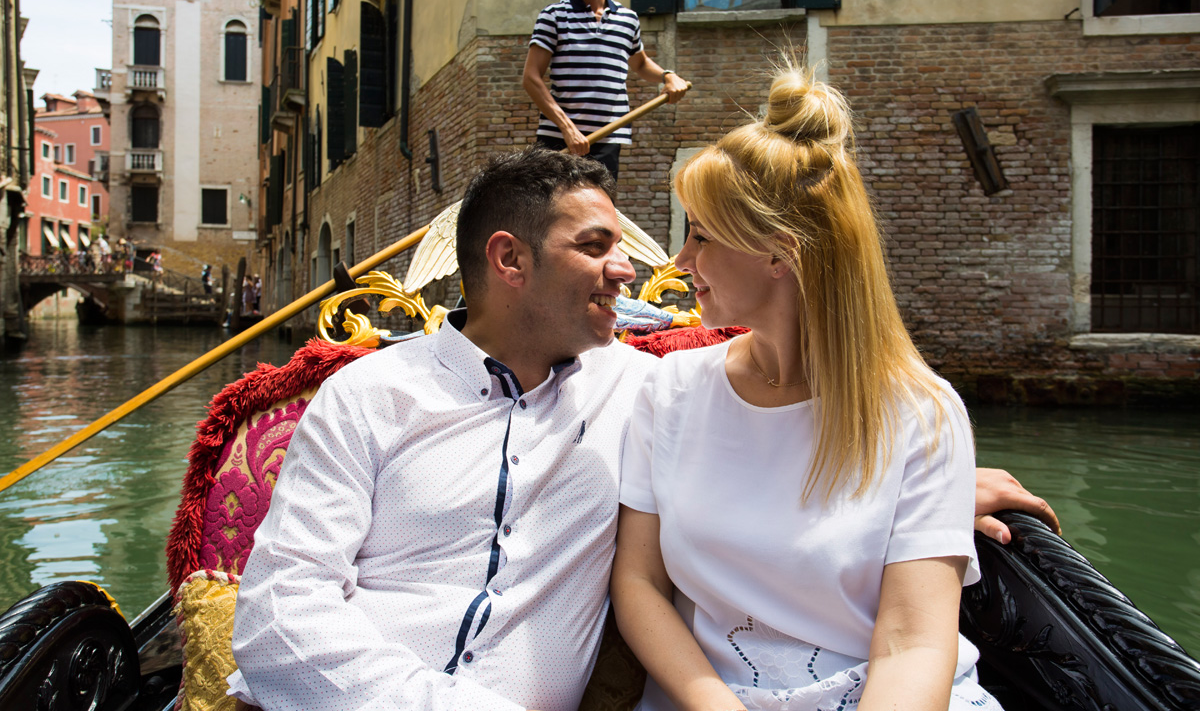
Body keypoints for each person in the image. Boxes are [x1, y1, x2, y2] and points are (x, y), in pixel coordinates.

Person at [228, 147, 1056, 710]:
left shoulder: (645, 390)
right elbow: (277, 618)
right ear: (511, 262)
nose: (637, 269)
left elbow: (798, 431)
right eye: (598, 246)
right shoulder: (367, 396)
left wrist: (934, 494)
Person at [611, 67, 1004, 710]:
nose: (680, 261)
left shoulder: (925, 415)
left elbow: (914, 644)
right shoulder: (671, 391)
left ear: (779, 253)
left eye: (701, 235)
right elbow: (639, 584)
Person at [523, 0, 688, 179]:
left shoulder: (627, 19)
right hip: (559, 140)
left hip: (608, 135)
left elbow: (641, 64)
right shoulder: (554, 16)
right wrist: (568, 129)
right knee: (552, 215)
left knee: (598, 214)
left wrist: (668, 76)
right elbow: (531, 78)